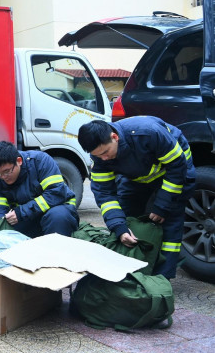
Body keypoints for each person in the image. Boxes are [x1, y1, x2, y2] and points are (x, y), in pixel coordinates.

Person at [78, 118, 195, 279]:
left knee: (169, 221)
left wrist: (162, 205)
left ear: (115, 137)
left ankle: (162, 279)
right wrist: (118, 226)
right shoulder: (100, 157)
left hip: (175, 170)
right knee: (126, 216)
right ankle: (131, 272)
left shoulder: (149, 133)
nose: (104, 158)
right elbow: (104, 193)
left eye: (105, 152)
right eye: (98, 155)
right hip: (138, 174)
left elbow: (176, 167)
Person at [0, 141, 79, 237]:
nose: (3, 177)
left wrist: (22, 212)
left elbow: (55, 194)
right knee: (6, 229)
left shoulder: (41, 161)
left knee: (58, 216)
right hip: (27, 218)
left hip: (57, 210)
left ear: (19, 161)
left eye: (7, 171)